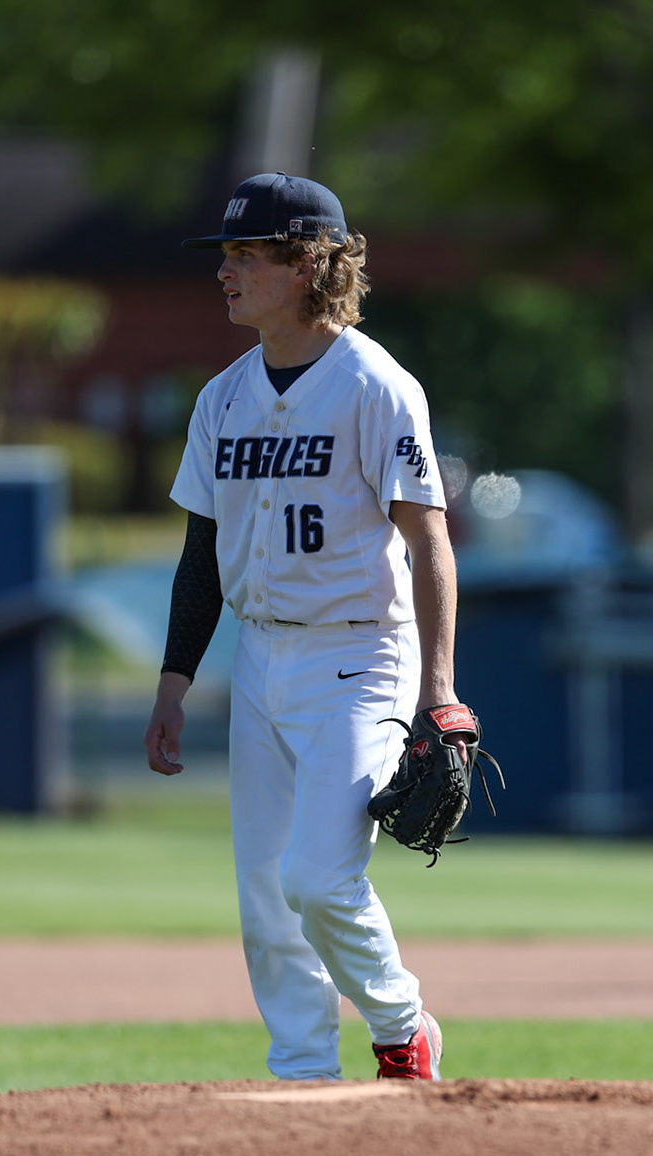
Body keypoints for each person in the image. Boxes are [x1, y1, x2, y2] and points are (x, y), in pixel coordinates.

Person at [144, 172, 458, 1078]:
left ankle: (401, 1025)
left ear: (309, 261)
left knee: (317, 880)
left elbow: (429, 542)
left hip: (362, 652)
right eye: (227, 255)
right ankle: (302, 1071)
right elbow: (201, 555)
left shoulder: (376, 386)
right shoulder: (223, 399)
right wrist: (174, 683)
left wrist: (438, 692)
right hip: (262, 655)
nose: (226, 271)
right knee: (263, 899)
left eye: (247, 254)